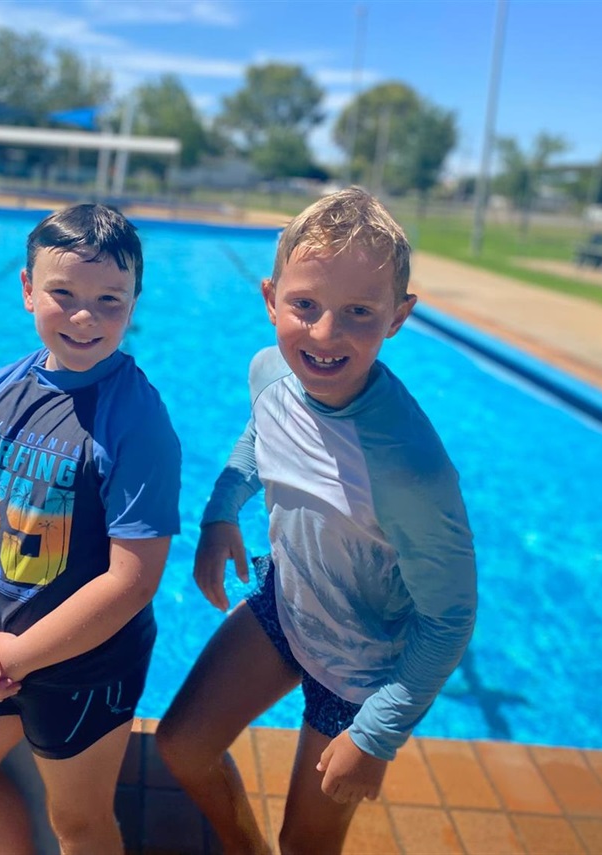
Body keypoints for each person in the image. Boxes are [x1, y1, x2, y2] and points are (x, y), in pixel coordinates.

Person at [156, 187, 477, 854]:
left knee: (306, 841)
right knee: (181, 747)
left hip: (364, 668)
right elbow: (260, 433)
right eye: (305, 305)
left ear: (398, 317)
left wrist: (377, 732)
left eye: (359, 312)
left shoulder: (409, 467)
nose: (326, 335)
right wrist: (222, 512)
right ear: (270, 297)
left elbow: (450, 616)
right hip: (286, 603)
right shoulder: (270, 370)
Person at [0, 203, 181, 854]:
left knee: (81, 822)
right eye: (62, 294)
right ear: (26, 289)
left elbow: (133, 579)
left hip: (87, 660)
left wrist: (21, 655)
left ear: (134, 302)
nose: (85, 317)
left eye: (109, 300)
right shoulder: (1, 389)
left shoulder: (137, 419)